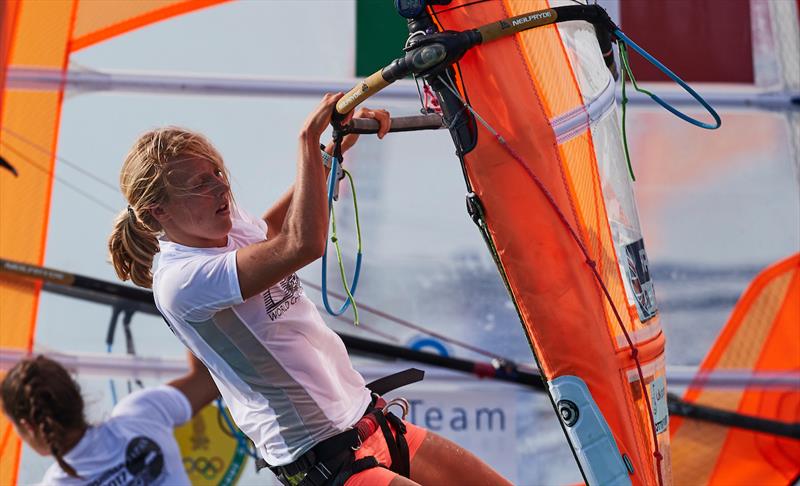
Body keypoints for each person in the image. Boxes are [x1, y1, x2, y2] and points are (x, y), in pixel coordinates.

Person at [107, 93, 511, 486]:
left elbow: (275, 231)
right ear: (159, 211)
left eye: (216, 172)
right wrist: (307, 140)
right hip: (325, 459)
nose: (220, 188)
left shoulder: (223, 227)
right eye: (200, 183)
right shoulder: (181, 281)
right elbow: (300, 244)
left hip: (370, 420)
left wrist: (333, 150)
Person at [1, 352, 219, 485]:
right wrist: (186, 303)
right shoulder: (141, 413)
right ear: (76, 395)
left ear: (27, 426)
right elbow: (209, 378)